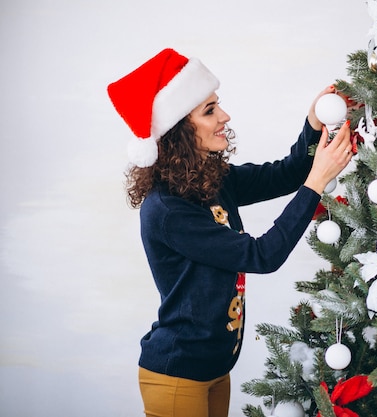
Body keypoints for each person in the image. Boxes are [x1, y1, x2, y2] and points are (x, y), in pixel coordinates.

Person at [107, 48, 353, 417]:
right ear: (178, 131)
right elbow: (261, 255)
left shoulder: (210, 180)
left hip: (215, 372)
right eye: (209, 110)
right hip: (177, 378)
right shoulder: (168, 209)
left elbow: (284, 174)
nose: (225, 116)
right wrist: (317, 181)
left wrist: (312, 125)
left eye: (217, 105)